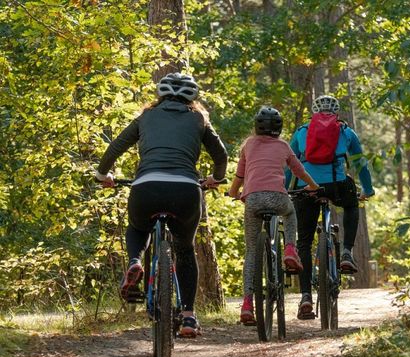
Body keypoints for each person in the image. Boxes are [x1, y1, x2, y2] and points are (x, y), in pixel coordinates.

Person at [95, 72, 228, 337]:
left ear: (161, 94)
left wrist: (103, 175)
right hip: (186, 190)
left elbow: (115, 148)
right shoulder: (198, 118)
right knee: (185, 250)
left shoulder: (146, 117)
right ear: (193, 97)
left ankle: (135, 261)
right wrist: (217, 178)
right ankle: (189, 317)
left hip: (147, 186)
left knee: (137, 228)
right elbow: (221, 154)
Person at [228, 106, 319, 325]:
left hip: (253, 200)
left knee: (251, 252)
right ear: (279, 128)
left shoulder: (248, 145)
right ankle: (289, 248)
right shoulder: (284, 146)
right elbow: (299, 171)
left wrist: (234, 193)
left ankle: (247, 304)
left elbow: (240, 175)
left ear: (256, 127)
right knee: (290, 212)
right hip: (279, 198)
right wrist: (313, 186)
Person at [286, 95, 374, 320]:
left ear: (314, 112)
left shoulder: (301, 132)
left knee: (303, 241)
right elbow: (360, 164)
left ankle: (305, 296)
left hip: (307, 188)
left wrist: (287, 188)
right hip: (337, 186)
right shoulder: (346, 132)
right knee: (352, 205)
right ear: (336, 112)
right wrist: (368, 189)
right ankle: (346, 252)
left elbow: (289, 164)